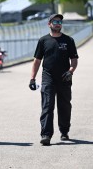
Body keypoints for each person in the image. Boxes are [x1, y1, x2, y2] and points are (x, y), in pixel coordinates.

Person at [29, 13, 79, 146]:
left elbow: (74, 60)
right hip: (48, 78)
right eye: (55, 21)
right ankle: (46, 134)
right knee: (47, 106)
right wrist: (32, 78)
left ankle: (64, 131)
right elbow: (37, 61)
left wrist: (70, 71)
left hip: (64, 78)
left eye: (60, 22)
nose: (58, 24)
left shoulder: (69, 40)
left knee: (64, 106)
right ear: (49, 24)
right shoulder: (43, 40)